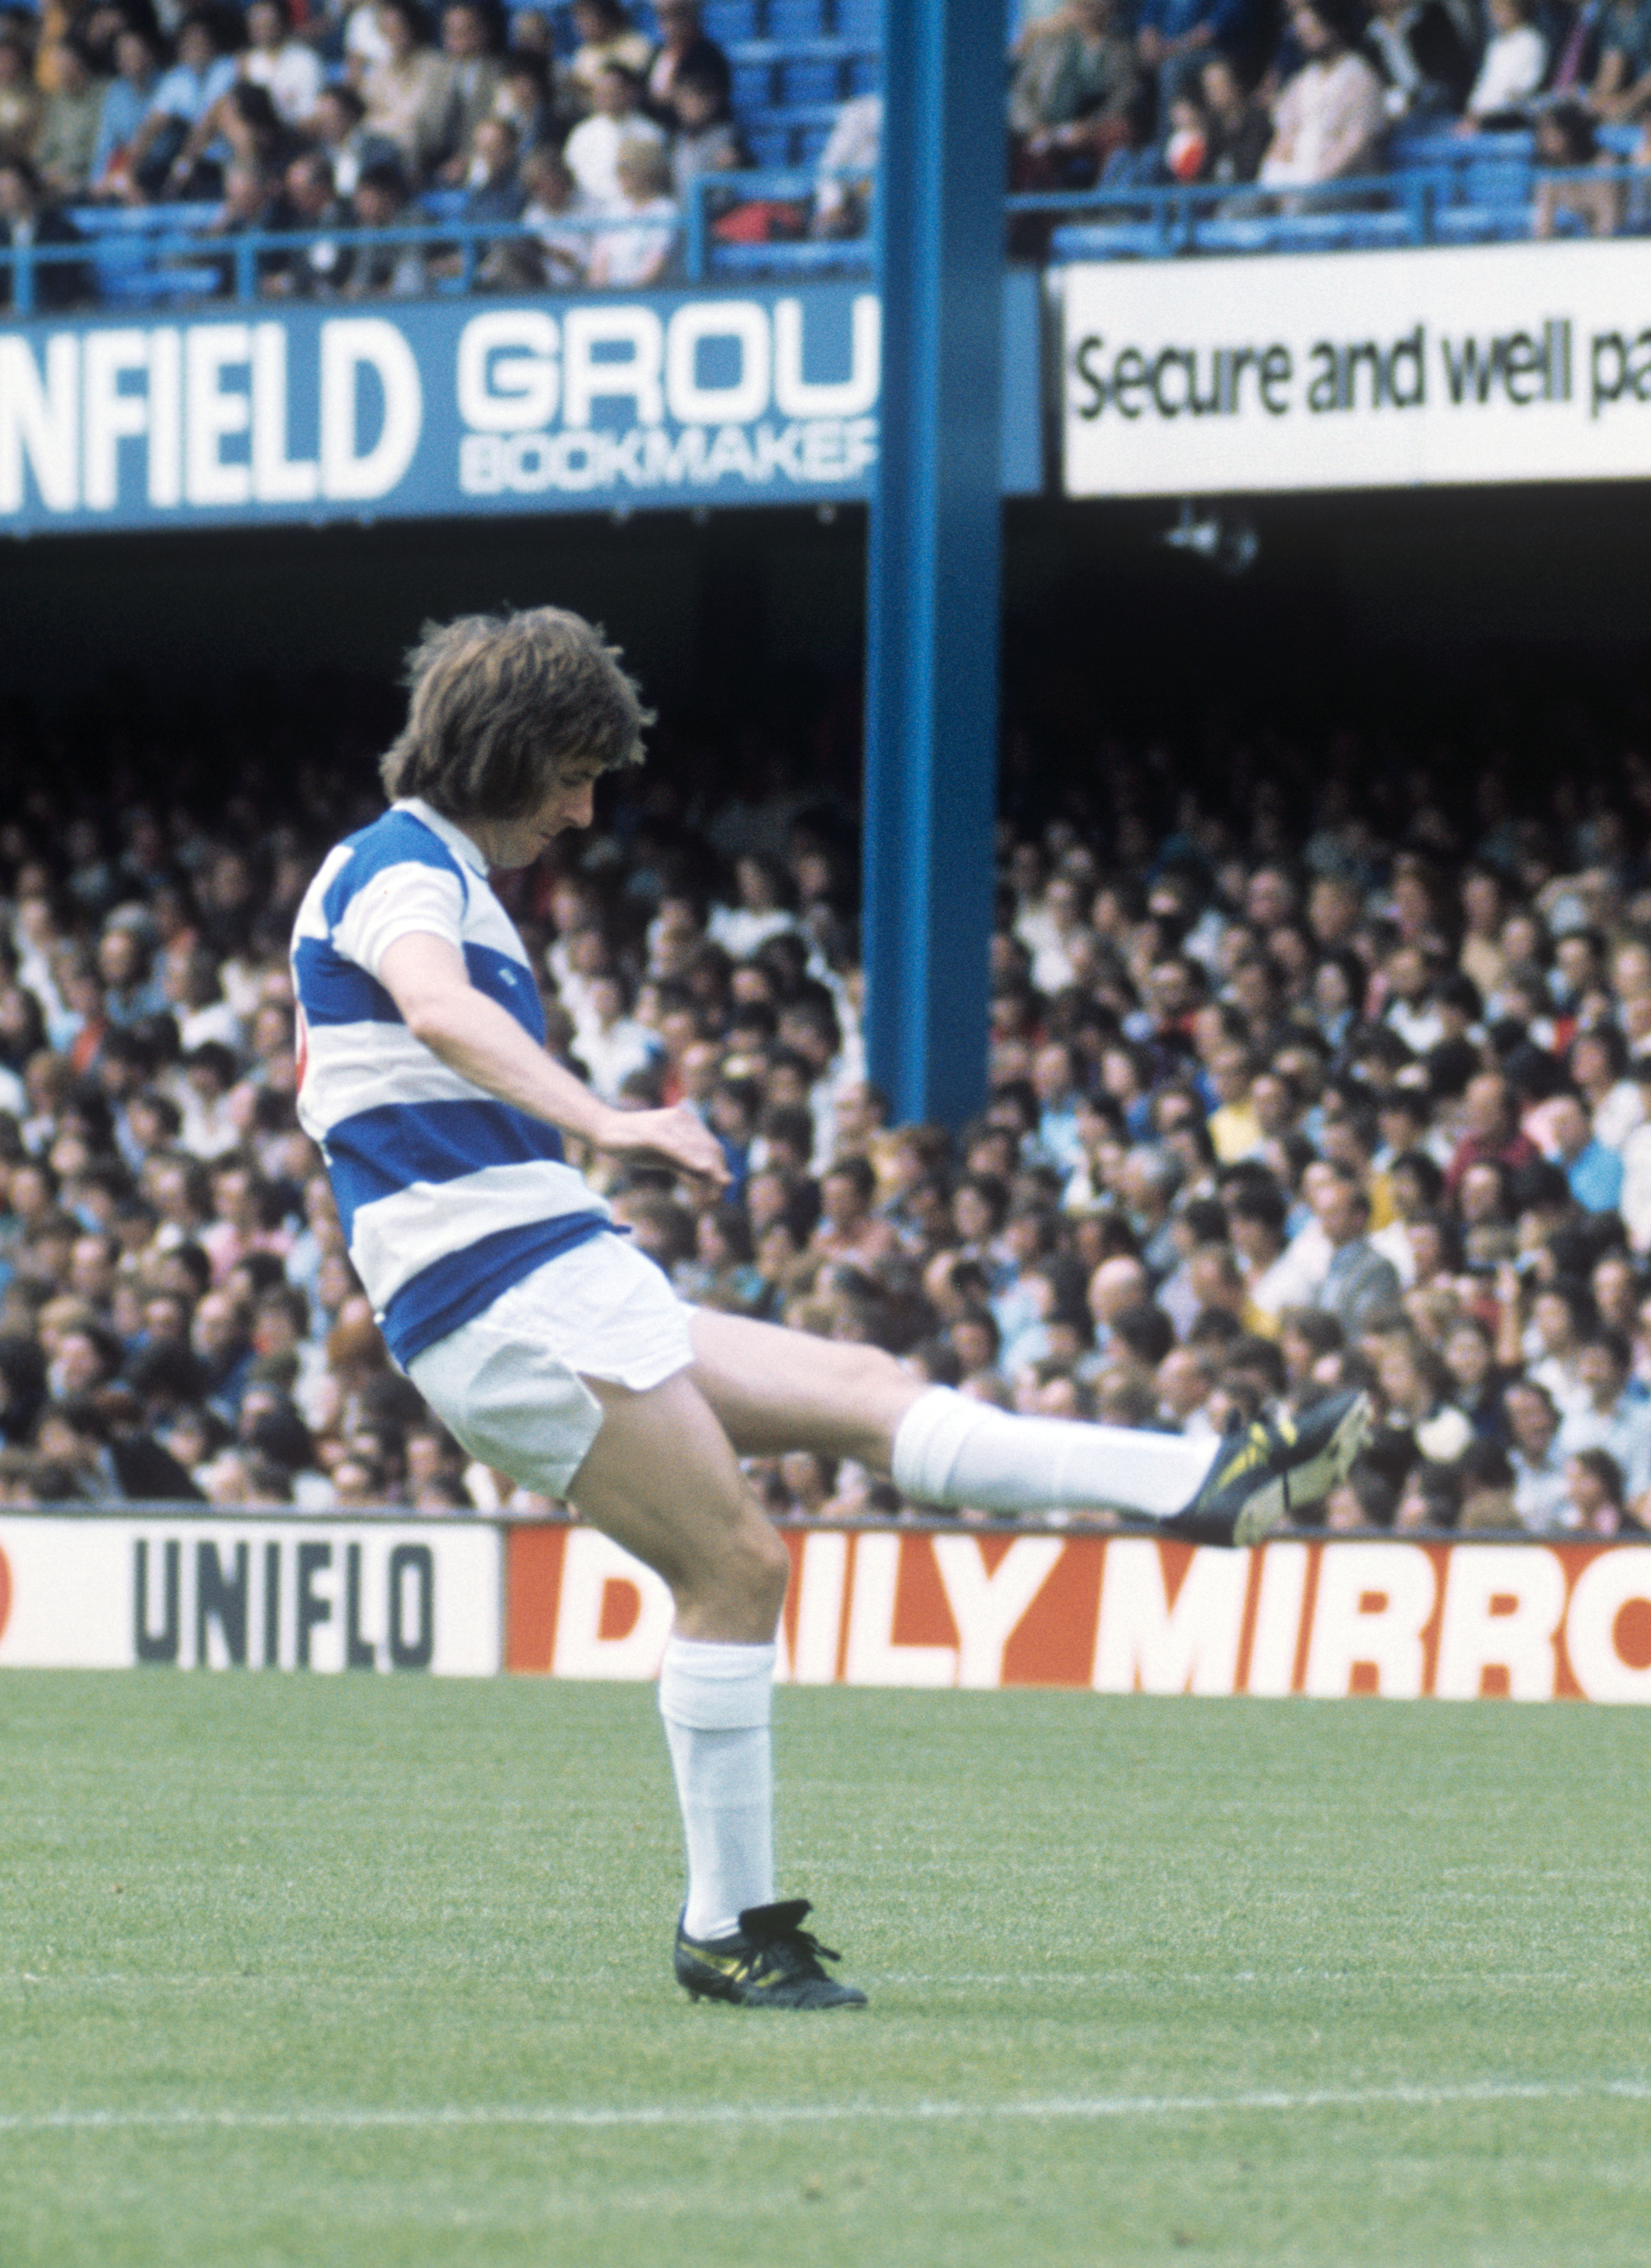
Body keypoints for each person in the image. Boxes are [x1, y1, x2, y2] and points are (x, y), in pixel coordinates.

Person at [289, 607, 1370, 2010]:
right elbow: (435, 1012)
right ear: (505, 751)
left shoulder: (445, 877)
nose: (585, 804)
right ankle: (725, 1923)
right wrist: (604, 1116)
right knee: (737, 1567)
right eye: (571, 770)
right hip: (495, 1293)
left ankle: (1202, 1484)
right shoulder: (390, 870)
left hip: (559, 1268)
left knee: (864, 1384)